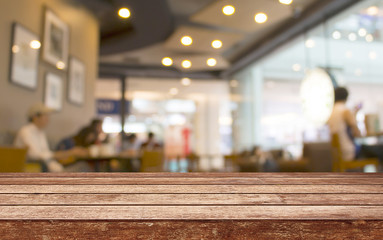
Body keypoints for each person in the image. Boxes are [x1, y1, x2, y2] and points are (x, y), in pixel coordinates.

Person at [14, 103, 88, 172]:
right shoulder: (26, 131)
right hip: (38, 168)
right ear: (35, 117)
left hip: (50, 168)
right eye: (45, 115)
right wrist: (69, 153)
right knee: (83, 167)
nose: (48, 119)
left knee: (83, 165)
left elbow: (45, 153)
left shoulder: (40, 133)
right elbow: (35, 155)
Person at [327, 87, 383, 165]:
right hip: (350, 152)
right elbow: (357, 133)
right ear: (346, 97)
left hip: (338, 154)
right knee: (380, 149)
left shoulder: (331, 112)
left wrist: (355, 112)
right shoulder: (345, 111)